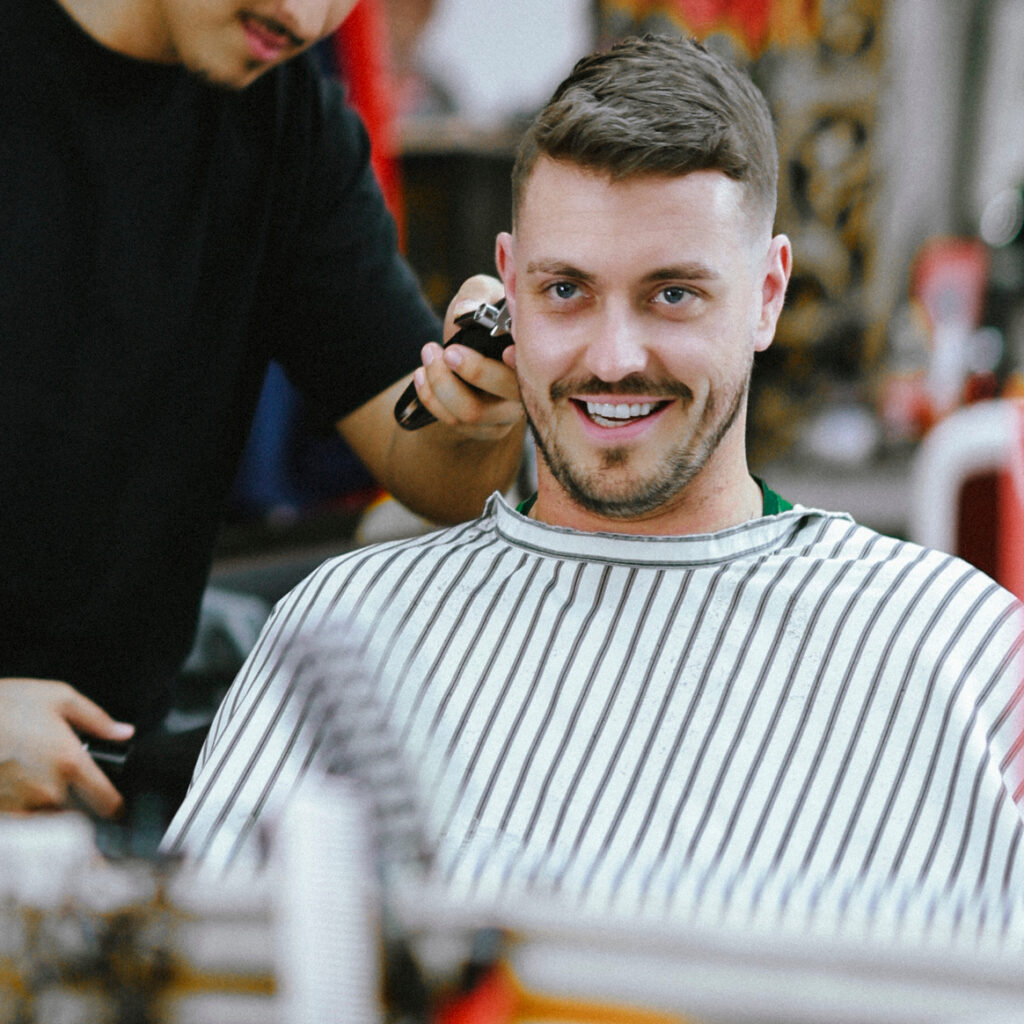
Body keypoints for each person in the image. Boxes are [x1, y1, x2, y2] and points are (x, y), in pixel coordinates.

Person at [163, 35, 1024, 938]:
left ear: (767, 294)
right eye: (566, 290)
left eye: (673, 295)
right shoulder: (348, 619)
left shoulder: (957, 650)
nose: (614, 359)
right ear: (508, 286)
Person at [0, 0, 526, 822]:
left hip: (100, 824)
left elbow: (427, 457)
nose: (305, 16)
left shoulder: (288, 123)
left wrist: (484, 413)